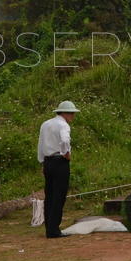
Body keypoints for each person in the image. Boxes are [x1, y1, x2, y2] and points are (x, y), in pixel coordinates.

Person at [38, 101, 79, 238]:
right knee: (58, 196)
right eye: (71, 113)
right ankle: (54, 228)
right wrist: (66, 153)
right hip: (59, 161)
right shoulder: (63, 125)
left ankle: (49, 227)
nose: (73, 116)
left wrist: (42, 162)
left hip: (48, 161)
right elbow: (65, 140)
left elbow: (41, 144)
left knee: (49, 195)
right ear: (64, 113)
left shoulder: (45, 124)